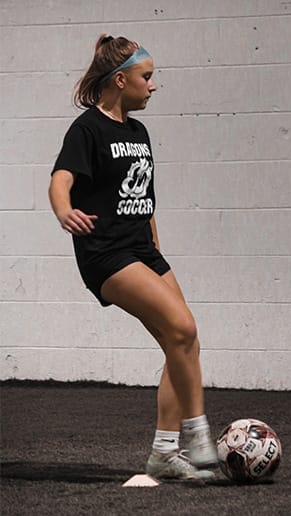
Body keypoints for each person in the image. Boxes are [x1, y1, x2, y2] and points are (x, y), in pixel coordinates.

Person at [48, 34, 218, 481]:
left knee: (183, 345)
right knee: (182, 327)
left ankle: (164, 452)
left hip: (143, 249)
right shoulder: (87, 129)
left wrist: (157, 248)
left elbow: (144, 199)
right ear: (120, 80)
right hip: (105, 253)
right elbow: (61, 179)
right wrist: (64, 211)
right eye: (147, 77)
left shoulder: (138, 132)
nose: (153, 86)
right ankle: (198, 434)